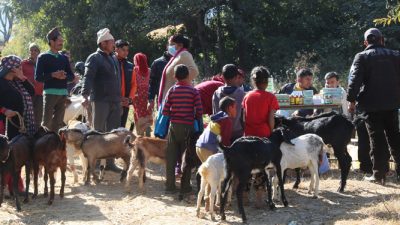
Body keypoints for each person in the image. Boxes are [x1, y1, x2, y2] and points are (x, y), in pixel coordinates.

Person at [347, 28, 400, 183]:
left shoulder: (362, 57)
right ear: (382, 40)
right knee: (395, 138)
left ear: (365, 42)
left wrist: (351, 100)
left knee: (376, 139)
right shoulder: (396, 55)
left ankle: (378, 175)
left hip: (371, 105)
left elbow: (355, 81)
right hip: (392, 104)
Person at [81, 28, 122, 172]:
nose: (114, 44)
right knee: (97, 133)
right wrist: (84, 94)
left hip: (114, 101)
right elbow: (88, 77)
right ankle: (95, 164)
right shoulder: (94, 58)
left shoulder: (113, 58)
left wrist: (120, 98)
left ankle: (110, 164)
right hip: (100, 101)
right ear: (103, 43)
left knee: (113, 133)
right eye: (111, 42)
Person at [242, 66, 279, 208]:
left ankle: (244, 197)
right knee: (261, 167)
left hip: (248, 136)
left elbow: (244, 118)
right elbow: (271, 118)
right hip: (263, 136)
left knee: (246, 166)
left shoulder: (247, 96)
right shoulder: (270, 97)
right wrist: (270, 131)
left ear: (253, 80)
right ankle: (259, 199)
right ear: (267, 81)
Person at [162, 64, 203, 193]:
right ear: (188, 76)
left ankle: (170, 186)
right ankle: (185, 186)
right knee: (186, 157)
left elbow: (165, 111)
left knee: (171, 156)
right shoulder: (193, 91)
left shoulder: (172, 90)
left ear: (174, 76)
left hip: (174, 126)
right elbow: (199, 112)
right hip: (188, 128)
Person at [0, 55, 36, 194]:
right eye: (18, 67)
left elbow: (32, 91)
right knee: (4, 156)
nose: (21, 68)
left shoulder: (16, 83)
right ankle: (5, 188)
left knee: (15, 155)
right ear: (11, 69)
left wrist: (22, 77)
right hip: (3, 123)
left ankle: (15, 187)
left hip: (16, 125)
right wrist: (4, 110)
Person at [35, 28, 75, 132]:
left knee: (59, 122)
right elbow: (38, 77)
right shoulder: (43, 57)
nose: (61, 43)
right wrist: (53, 75)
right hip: (49, 94)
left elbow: (71, 76)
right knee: (46, 122)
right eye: (59, 41)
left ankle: (55, 145)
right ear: (51, 42)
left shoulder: (64, 58)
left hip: (63, 94)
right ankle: (44, 145)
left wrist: (64, 76)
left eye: (62, 41)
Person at [157, 34, 199, 107]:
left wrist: (180, 85)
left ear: (180, 45)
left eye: (172, 44)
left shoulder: (184, 54)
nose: (169, 47)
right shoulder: (176, 56)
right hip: (170, 98)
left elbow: (194, 71)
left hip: (177, 99)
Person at [196, 96, 235, 162]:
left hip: (199, 146)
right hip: (208, 149)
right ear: (230, 108)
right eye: (235, 107)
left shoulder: (218, 118)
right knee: (215, 171)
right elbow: (225, 140)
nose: (236, 110)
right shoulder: (226, 120)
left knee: (207, 171)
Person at [212, 64, 245, 141]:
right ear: (237, 77)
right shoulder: (242, 94)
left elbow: (214, 114)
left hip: (221, 134)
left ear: (222, 77)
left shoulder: (216, 94)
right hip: (237, 134)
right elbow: (244, 117)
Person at [21, 43, 43, 129]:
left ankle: (37, 136)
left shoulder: (42, 64)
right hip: (27, 94)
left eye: (35, 50)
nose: (33, 52)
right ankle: (26, 135)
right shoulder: (23, 64)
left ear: (38, 52)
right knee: (27, 116)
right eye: (31, 50)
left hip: (40, 93)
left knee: (38, 116)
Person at [115, 40, 135, 128]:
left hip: (125, 102)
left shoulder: (130, 66)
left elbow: (134, 84)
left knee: (121, 127)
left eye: (127, 50)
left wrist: (129, 99)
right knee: (110, 129)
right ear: (116, 49)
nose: (126, 52)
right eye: (123, 50)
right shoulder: (110, 63)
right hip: (113, 101)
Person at [132, 53, 152, 136]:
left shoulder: (135, 70)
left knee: (138, 111)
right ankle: (147, 125)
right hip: (147, 92)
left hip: (137, 93)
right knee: (146, 110)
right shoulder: (149, 70)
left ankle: (140, 132)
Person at [148, 44, 172, 111]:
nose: (174, 47)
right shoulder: (157, 63)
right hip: (162, 99)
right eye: (172, 44)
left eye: (176, 44)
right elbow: (152, 82)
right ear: (167, 46)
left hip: (179, 100)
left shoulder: (182, 60)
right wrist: (151, 99)